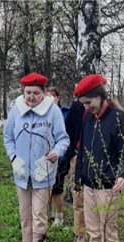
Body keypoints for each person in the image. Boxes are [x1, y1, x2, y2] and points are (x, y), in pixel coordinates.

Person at [69, 74, 124, 242]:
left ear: (100, 96)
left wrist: (123, 174)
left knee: (108, 232)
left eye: (89, 103)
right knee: (93, 231)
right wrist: (78, 178)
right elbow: (83, 150)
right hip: (89, 185)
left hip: (108, 187)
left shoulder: (119, 118)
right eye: (84, 104)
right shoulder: (88, 118)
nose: (87, 108)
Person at [3, 73, 69, 242]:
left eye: (35, 93)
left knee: (39, 213)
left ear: (43, 93)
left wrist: (56, 152)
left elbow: (63, 139)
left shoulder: (53, 111)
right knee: (25, 213)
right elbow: (8, 137)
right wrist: (14, 158)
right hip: (22, 172)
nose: (31, 97)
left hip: (43, 172)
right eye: (28, 93)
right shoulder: (16, 111)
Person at [45, 86, 70, 227]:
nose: (50, 99)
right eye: (46, 97)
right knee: (45, 187)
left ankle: (59, 216)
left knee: (57, 188)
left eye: (52, 96)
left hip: (60, 157)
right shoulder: (42, 113)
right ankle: (48, 212)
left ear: (57, 98)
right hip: (45, 157)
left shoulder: (66, 112)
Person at [64, 99, 87, 242]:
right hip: (78, 156)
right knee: (78, 197)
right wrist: (72, 151)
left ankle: (99, 234)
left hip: (98, 158)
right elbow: (67, 129)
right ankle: (80, 235)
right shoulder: (77, 107)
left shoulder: (108, 109)